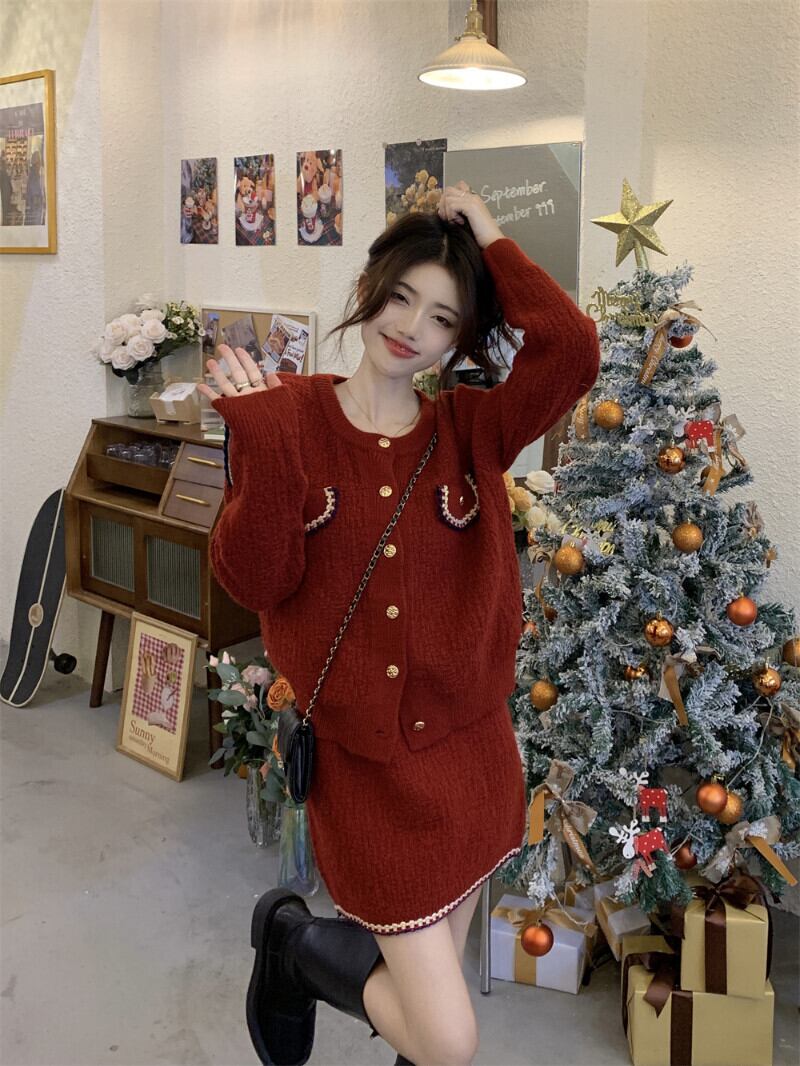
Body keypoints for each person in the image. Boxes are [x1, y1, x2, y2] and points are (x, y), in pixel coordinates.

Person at [198, 181, 600, 1066]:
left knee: (424, 1022)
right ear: (369, 288)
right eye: (403, 296)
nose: (412, 326)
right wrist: (263, 450)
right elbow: (254, 579)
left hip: (474, 760)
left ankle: (298, 950)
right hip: (367, 777)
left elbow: (572, 351)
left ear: (461, 339)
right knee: (446, 1039)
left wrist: (488, 235)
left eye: (443, 317)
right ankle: (297, 948)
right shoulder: (285, 416)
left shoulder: (473, 429)